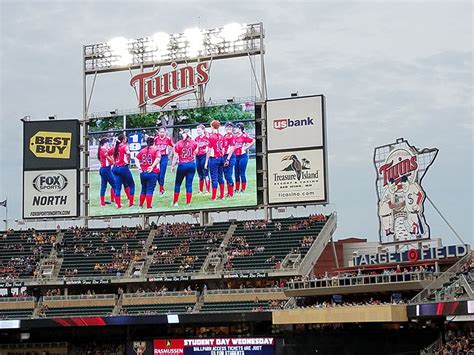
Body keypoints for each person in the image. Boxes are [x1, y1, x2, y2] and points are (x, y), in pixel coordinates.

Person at [171, 129, 197, 206]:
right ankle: (188, 202)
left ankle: (175, 202)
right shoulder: (193, 142)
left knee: (178, 184)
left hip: (182, 164)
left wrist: (172, 165)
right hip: (191, 164)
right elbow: (196, 151)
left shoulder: (178, 144)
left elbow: (175, 156)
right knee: (189, 184)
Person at [134, 137, 161, 209]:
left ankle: (140, 205)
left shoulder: (142, 150)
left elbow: (136, 158)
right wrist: (152, 166)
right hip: (152, 172)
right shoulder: (156, 150)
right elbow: (158, 158)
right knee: (150, 190)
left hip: (143, 172)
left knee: (143, 189)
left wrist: (139, 167)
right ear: (154, 142)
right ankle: (149, 206)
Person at [112, 134, 135, 208]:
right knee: (132, 185)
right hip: (123, 168)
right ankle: (131, 204)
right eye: (125, 138)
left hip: (115, 168)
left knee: (118, 187)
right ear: (123, 140)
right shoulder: (124, 146)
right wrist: (128, 161)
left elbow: (107, 154)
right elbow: (128, 153)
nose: (126, 139)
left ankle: (118, 205)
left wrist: (113, 162)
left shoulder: (115, 147)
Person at [205, 120, 225, 200]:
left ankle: (213, 197)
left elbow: (209, 150)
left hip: (214, 158)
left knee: (214, 178)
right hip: (220, 157)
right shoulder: (221, 136)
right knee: (220, 177)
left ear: (212, 126)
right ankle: (222, 195)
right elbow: (223, 148)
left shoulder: (212, 136)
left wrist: (206, 161)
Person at [233, 123, 255, 193]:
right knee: (236, 173)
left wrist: (247, 147)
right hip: (236, 156)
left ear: (240, 129)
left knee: (242, 173)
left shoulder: (244, 136)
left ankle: (243, 189)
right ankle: (236, 189)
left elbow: (253, 140)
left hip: (243, 156)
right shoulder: (235, 136)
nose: (235, 129)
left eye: (236, 128)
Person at [154, 127, 174, 195]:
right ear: (158, 132)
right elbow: (153, 147)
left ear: (165, 132)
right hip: (157, 157)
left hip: (164, 157)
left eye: (163, 132)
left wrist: (170, 154)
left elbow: (173, 146)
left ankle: (161, 190)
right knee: (157, 174)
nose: (162, 133)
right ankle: (162, 188)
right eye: (160, 132)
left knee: (162, 174)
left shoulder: (168, 139)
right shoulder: (156, 139)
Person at [97, 137, 116, 206]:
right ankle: (117, 201)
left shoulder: (102, 149)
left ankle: (102, 202)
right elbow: (110, 157)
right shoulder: (104, 150)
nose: (109, 144)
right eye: (108, 142)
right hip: (106, 169)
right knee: (115, 185)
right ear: (105, 143)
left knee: (103, 186)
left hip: (103, 169)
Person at [194, 124, 210, 194]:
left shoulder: (207, 138)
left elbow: (209, 148)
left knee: (205, 173)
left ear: (203, 130)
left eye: (200, 130)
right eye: (197, 130)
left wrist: (207, 150)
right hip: (198, 157)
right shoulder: (196, 138)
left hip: (204, 156)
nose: (198, 131)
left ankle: (207, 190)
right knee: (200, 174)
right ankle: (200, 190)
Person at [222, 122, 236, 198]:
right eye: (227, 127)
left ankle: (231, 193)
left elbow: (232, 149)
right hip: (224, 156)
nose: (229, 129)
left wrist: (227, 159)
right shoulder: (224, 136)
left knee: (228, 175)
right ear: (225, 128)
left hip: (230, 157)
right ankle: (229, 192)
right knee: (225, 174)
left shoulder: (232, 137)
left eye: (230, 127)